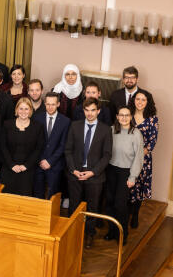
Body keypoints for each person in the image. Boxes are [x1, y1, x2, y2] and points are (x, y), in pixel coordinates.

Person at [64, 97, 112, 248]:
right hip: (75, 173)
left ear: (98, 111)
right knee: (74, 206)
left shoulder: (105, 130)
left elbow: (107, 155)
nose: (90, 113)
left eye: (93, 110)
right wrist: (73, 169)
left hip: (94, 176)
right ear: (83, 111)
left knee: (92, 208)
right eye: (87, 110)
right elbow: (68, 150)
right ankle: (72, 233)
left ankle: (89, 235)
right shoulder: (75, 126)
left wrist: (93, 172)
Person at [104, 107, 144, 243]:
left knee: (120, 204)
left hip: (125, 172)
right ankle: (111, 231)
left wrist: (132, 177)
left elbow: (139, 157)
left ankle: (122, 234)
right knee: (108, 202)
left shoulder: (136, 133)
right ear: (117, 116)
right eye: (121, 115)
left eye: (127, 115)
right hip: (110, 170)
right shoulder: (111, 130)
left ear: (131, 116)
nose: (124, 118)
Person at [0, 98, 44, 196]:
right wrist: (12, 165)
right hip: (8, 169)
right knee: (6, 200)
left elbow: (38, 149)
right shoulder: (7, 124)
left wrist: (26, 166)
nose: (23, 112)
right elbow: (3, 146)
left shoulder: (38, 127)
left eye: (26, 109)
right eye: (21, 108)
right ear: (16, 110)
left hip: (27, 171)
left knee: (23, 201)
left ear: (31, 110)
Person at [33, 92, 70, 199]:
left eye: (53, 104)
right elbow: (34, 143)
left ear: (58, 104)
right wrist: (41, 160)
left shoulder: (65, 121)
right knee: (37, 193)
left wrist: (50, 161)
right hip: (38, 163)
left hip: (55, 165)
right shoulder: (37, 118)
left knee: (53, 196)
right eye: (48, 104)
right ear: (45, 103)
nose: (50, 107)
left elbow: (63, 145)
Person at [129, 90, 158, 228]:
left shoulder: (152, 119)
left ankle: (135, 215)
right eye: (137, 99)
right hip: (125, 158)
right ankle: (126, 213)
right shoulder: (127, 115)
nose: (140, 102)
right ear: (133, 100)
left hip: (143, 160)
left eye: (143, 100)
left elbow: (152, 142)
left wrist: (137, 156)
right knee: (127, 186)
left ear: (148, 102)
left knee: (138, 186)